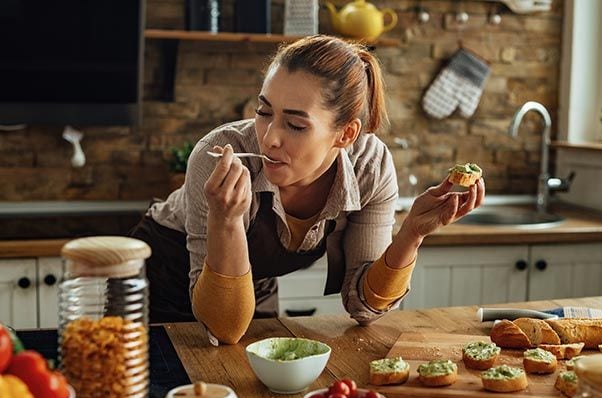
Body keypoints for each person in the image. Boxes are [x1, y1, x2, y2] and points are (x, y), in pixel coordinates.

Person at [131, 35, 485, 344]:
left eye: (296, 125)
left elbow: (364, 307)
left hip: (251, 283)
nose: (269, 138)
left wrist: (410, 235)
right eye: (264, 111)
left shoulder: (369, 168)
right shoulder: (219, 155)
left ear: (346, 134)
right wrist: (225, 221)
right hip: (163, 278)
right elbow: (221, 327)